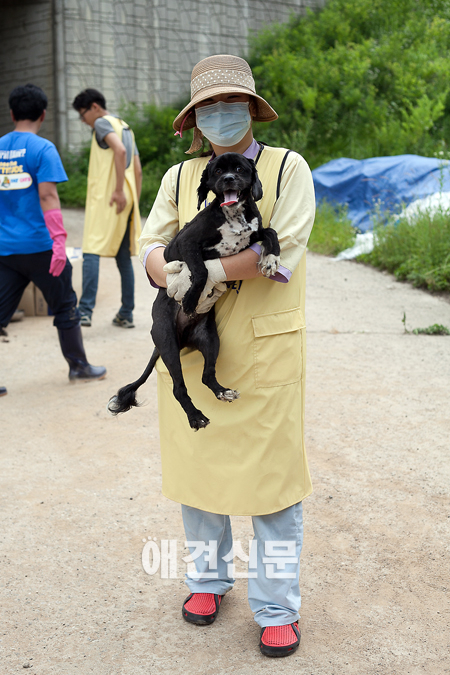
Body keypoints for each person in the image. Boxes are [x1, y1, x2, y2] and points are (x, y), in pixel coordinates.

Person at [139, 55, 315, 657]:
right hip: (193, 347)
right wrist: (165, 270)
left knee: (274, 485)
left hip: (264, 349)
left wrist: (193, 270)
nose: (219, 113)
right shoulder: (177, 178)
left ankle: (276, 606)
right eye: (208, 106)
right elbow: (151, 246)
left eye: (229, 103)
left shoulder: (288, 169)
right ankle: (206, 581)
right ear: (195, 118)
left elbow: (281, 249)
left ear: (250, 107)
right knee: (199, 475)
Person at [0, 83, 106, 383]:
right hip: (40, 248)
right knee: (65, 305)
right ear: (43, 115)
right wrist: (59, 241)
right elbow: (47, 197)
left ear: (11, 113)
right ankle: (78, 366)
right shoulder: (42, 149)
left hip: (5, 250)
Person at [72, 89, 142, 328]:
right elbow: (138, 169)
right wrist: (132, 197)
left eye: (82, 114)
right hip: (127, 198)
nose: (83, 121)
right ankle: (126, 313)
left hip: (109, 198)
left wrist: (118, 190)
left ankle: (84, 311)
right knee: (123, 257)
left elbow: (119, 151)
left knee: (92, 249)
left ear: (94, 107)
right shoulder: (124, 125)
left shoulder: (102, 123)